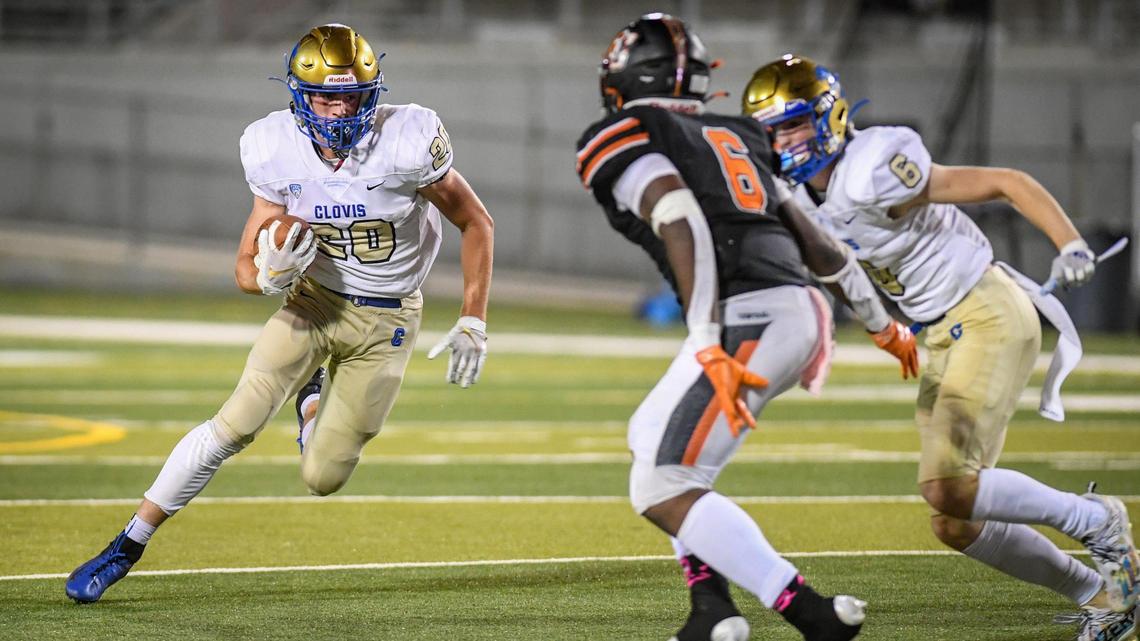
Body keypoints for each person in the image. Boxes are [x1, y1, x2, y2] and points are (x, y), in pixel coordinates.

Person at [65, 23, 494, 603]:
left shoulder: (408, 138)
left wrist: (472, 315)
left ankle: (312, 399)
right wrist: (268, 276)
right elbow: (245, 269)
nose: (340, 108)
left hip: (389, 318)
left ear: (374, 92)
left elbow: (477, 222)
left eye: (353, 95)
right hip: (315, 301)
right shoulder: (274, 147)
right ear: (299, 95)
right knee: (234, 424)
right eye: (326, 95)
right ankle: (128, 543)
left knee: (323, 478)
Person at [743, 54, 1139, 641]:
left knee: (945, 482)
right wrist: (881, 328)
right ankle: (1103, 595)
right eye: (774, 130)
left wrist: (1070, 244)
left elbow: (1008, 182)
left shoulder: (872, 166)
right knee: (952, 520)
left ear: (828, 117)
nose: (783, 140)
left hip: (986, 312)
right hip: (941, 331)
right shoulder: (798, 196)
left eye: (793, 124)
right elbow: (835, 271)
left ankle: (1098, 520)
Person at [576, 14, 919, 641]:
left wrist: (706, 340)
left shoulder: (623, 134)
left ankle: (808, 612)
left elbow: (681, 217)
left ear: (622, 81)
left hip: (747, 311)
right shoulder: (736, 132)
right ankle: (713, 611)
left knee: (662, 483)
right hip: (791, 305)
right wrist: (881, 324)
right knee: (648, 434)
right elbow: (820, 245)